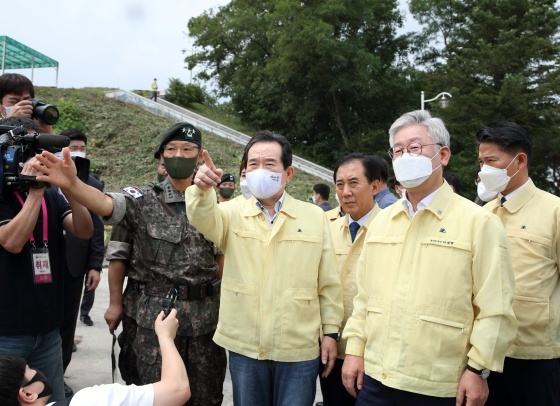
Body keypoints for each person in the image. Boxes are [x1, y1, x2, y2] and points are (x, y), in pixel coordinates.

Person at [32, 122, 227, 406]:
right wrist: (73, 184)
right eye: (171, 149)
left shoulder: (216, 205)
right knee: (154, 395)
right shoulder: (143, 200)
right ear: (161, 157)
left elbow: (222, 259)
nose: (179, 155)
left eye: (187, 149)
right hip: (155, 320)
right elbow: (104, 204)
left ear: (200, 156)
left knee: (207, 397)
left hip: (207, 322)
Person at [341, 110, 517, 405]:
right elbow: (364, 298)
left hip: (440, 384)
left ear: (443, 155)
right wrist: (355, 349)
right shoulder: (383, 222)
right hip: (377, 377)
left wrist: (478, 370)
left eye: (415, 148)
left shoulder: (479, 223)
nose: (405, 156)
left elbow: (495, 308)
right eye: (398, 150)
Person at [185, 130, 344, 405]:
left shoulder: (314, 217)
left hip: (298, 346)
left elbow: (328, 282)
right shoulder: (231, 213)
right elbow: (201, 217)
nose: (260, 170)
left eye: (270, 164)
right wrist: (200, 189)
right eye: (253, 164)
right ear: (244, 171)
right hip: (246, 345)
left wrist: (330, 333)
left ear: (289, 173)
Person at [0, 117, 93, 402]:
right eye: (26, 149)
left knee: (51, 399)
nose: (34, 159)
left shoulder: (53, 194)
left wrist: (71, 187)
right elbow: (13, 242)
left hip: (48, 327)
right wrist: (34, 193)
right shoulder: (4, 193)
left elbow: (83, 229)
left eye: (39, 150)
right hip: (7, 331)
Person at [476, 121, 560, 406]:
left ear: (519, 160)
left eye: (491, 161)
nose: (483, 169)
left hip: (537, 357)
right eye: (481, 161)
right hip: (486, 356)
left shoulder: (554, 211)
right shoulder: (483, 214)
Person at [0, 309, 191, 406]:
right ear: (27, 395)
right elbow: (177, 390)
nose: (38, 372)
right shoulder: (90, 401)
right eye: (30, 370)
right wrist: (165, 336)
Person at [319, 153, 384, 406]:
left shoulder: (391, 229)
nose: (345, 192)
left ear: (375, 186)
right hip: (331, 349)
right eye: (339, 184)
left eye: (354, 183)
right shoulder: (326, 227)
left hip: (372, 353)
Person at [56, 129, 105, 398]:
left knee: (66, 324)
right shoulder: (40, 177)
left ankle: (60, 374)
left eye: (81, 147)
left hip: (75, 264)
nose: (77, 151)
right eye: (72, 146)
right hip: (45, 263)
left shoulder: (93, 185)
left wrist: (95, 264)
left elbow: (96, 229)